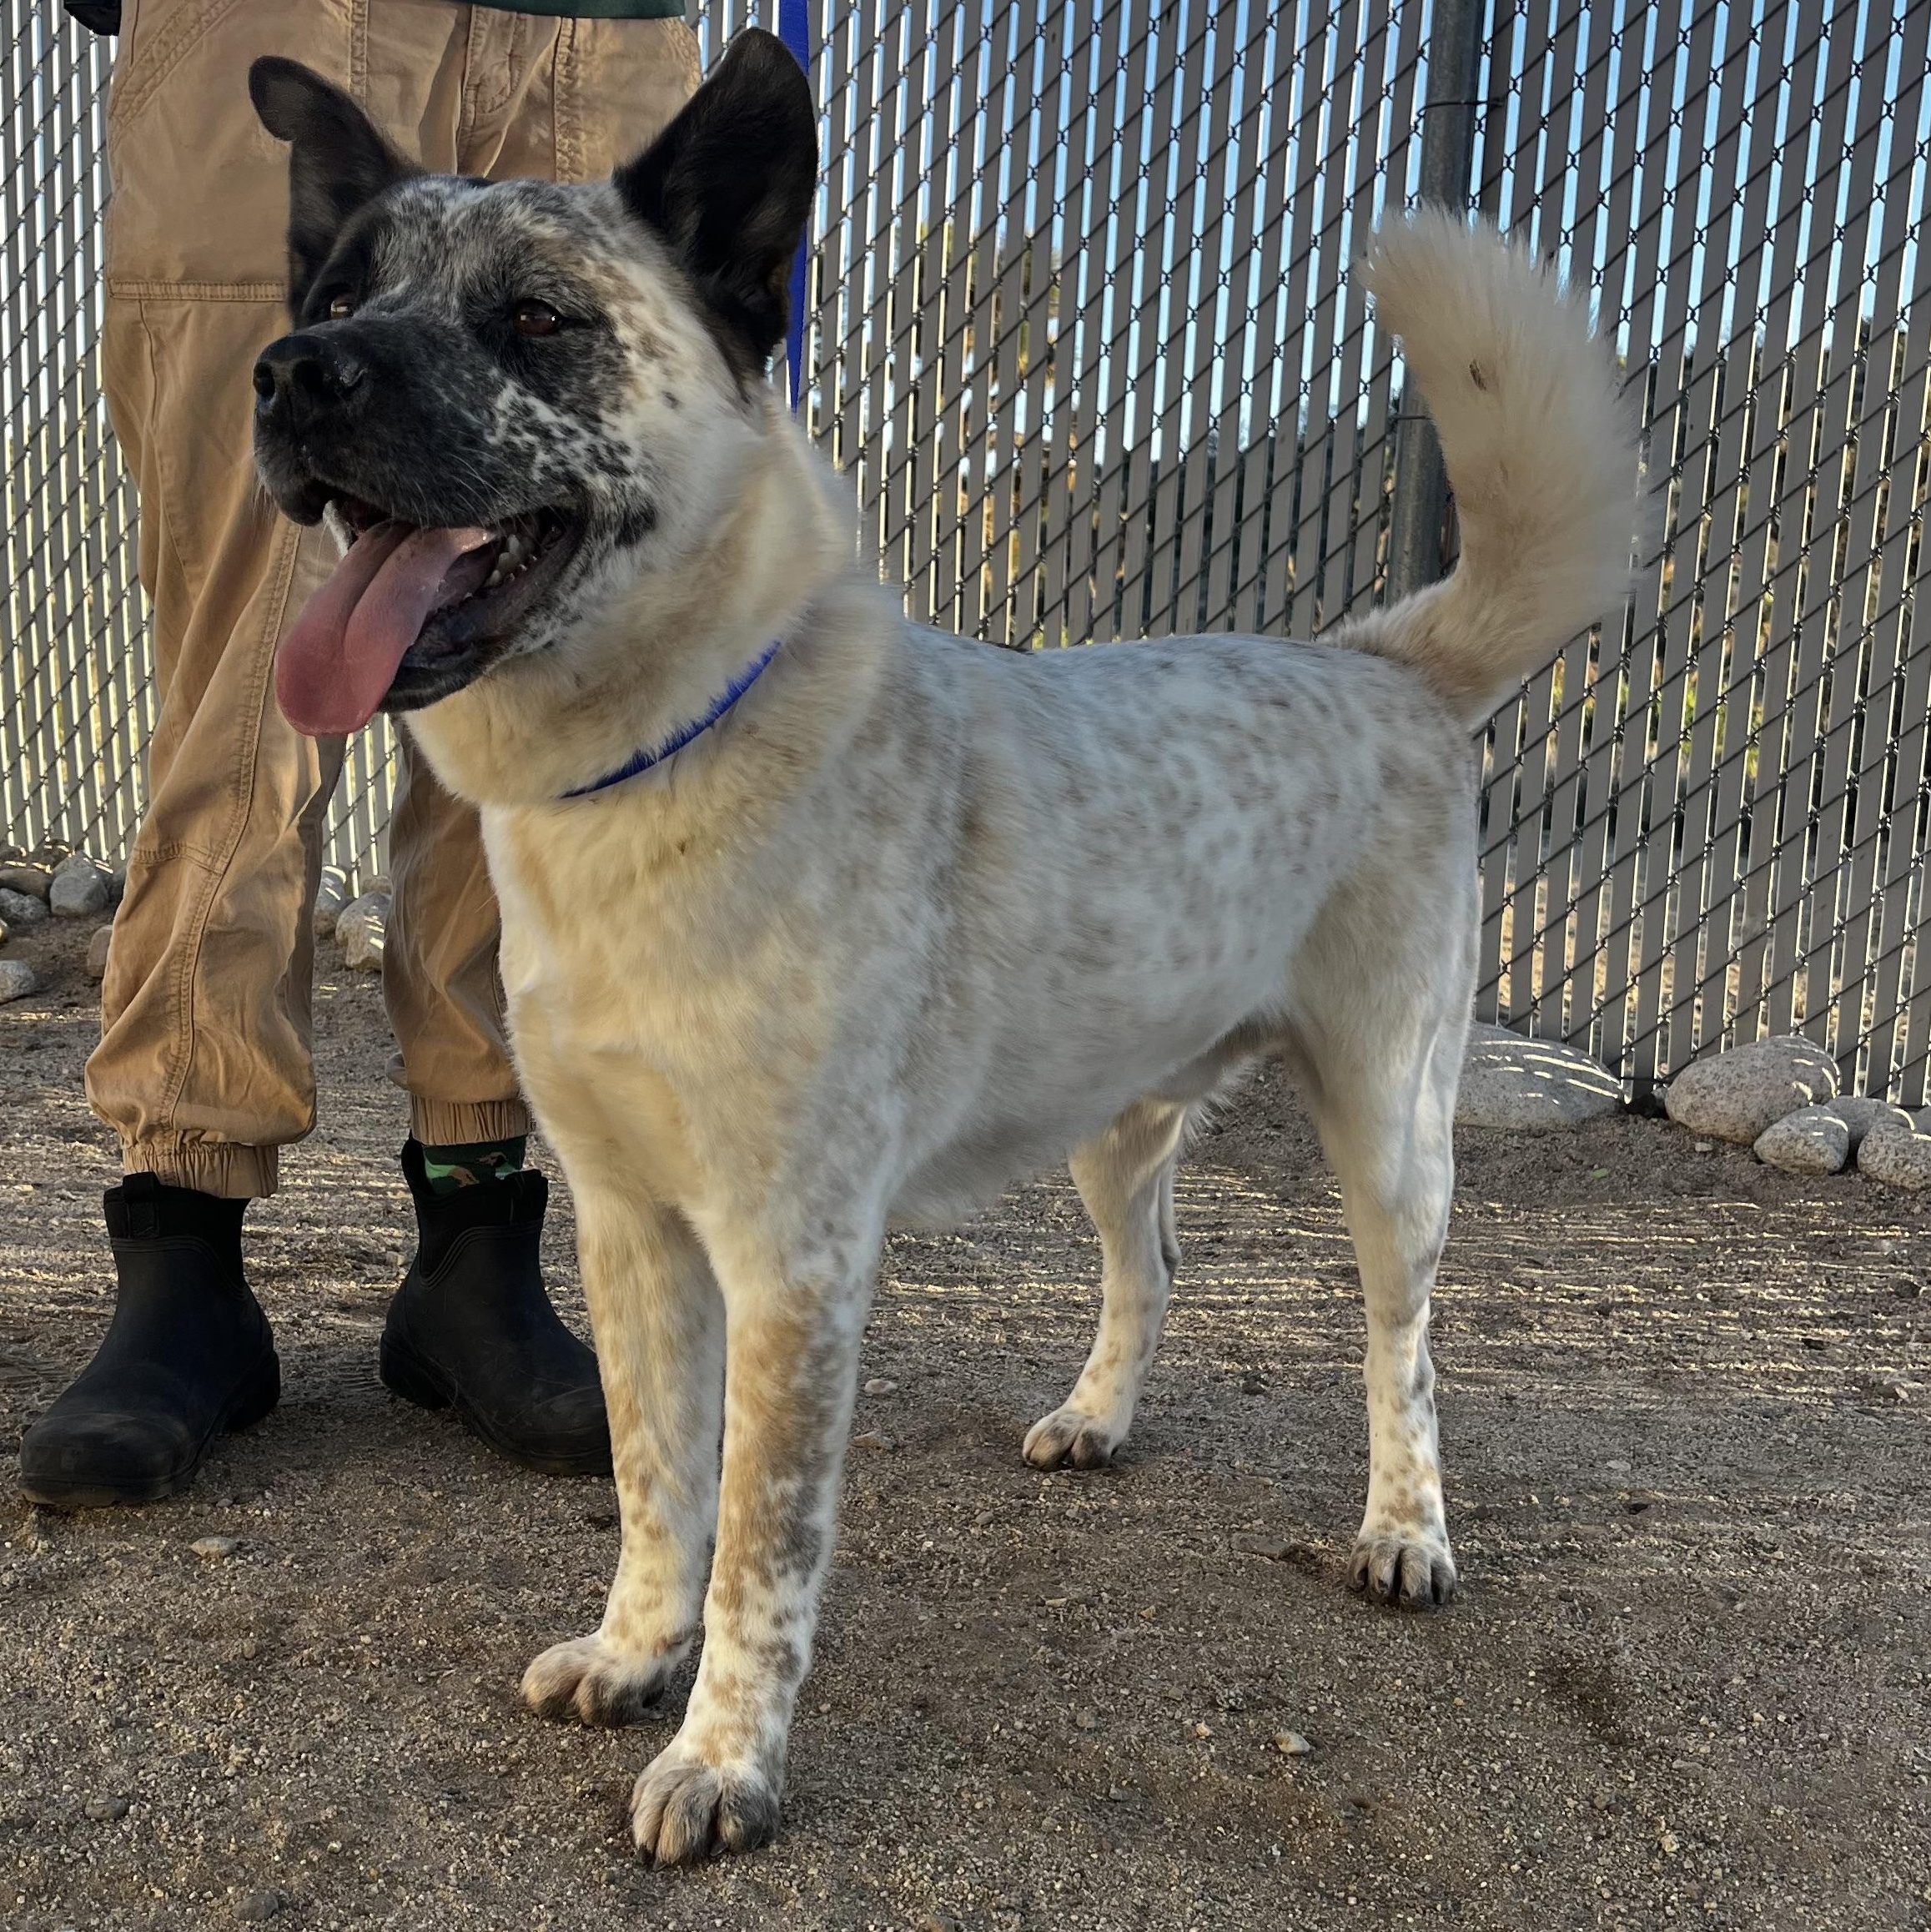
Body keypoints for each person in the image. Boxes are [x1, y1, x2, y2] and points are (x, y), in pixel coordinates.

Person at [22, 0, 699, 1508]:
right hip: (280, 22)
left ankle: (476, 1246)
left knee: (535, 690)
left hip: (601, 39)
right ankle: (183, 1253)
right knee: (237, 701)